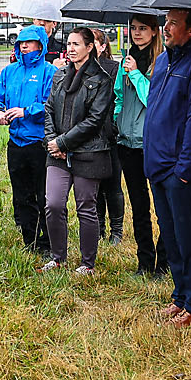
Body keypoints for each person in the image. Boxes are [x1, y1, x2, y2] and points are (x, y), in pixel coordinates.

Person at [145, 7, 191, 328]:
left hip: (180, 171)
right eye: (166, 21)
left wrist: (184, 170)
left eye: (174, 23)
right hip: (157, 166)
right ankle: (179, 296)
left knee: (188, 238)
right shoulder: (162, 61)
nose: (167, 27)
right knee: (170, 236)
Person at [41, 28, 114, 274]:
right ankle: (58, 257)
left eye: (76, 44)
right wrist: (53, 142)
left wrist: (64, 143)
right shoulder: (60, 75)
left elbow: (94, 121)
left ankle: (87, 263)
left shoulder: (102, 79)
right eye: (69, 43)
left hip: (89, 153)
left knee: (86, 206)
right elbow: (49, 108)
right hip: (58, 154)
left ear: (90, 47)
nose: (70, 48)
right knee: (53, 204)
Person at [0, 26, 55, 257]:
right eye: (21, 42)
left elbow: (51, 105)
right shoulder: (9, 71)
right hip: (16, 143)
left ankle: (49, 242)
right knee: (21, 194)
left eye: (30, 42)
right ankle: (30, 240)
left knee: (44, 194)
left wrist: (27, 111)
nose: (24, 45)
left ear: (41, 45)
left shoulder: (49, 71)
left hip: (40, 143)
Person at [113, 11, 167, 277]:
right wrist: (116, 121)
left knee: (162, 207)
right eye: (133, 28)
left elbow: (153, 100)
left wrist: (135, 74)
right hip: (128, 144)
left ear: (155, 30)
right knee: (139, 207)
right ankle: (145, 260)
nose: (137, 33)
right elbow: (119, 97)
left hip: (153, 144)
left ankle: (164, 261)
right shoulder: (126, 60)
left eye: (143, 28)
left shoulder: (163, 62)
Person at [88, 26, 125, 245]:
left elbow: (114, 99)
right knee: (95, 185)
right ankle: (99, 226)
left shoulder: (113, 68)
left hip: (109, 134)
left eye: (94, 42)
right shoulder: (77, 69)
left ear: (102, 46)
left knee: (112, 184)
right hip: (88, 136)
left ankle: (117, 230)